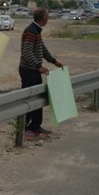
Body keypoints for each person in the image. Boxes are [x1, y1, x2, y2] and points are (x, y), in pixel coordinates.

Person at [19, 8, 63, 137]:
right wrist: (39, 66)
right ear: (43, 18)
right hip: (28, 71)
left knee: (38, 98)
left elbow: (42, 48)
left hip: (33, 70)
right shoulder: (31, 31)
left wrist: (53, 61)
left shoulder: (36, 30)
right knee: (29, 99)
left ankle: (35, 126)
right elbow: (27, 52)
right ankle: (25, 128)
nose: (48, 18)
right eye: (47, 16)